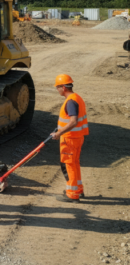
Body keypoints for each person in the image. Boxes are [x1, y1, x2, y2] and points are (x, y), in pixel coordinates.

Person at [50, 74, 88, 203]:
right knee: (75, 164)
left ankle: (72, 194)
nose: (57, 90)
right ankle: (78, 189)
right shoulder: (77, 98)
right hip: (77, 138)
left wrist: (59, 133)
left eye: (58, 87)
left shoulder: (70, 101)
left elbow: (73, 121)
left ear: (63, 87)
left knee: (69, 165)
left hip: (70, 139)